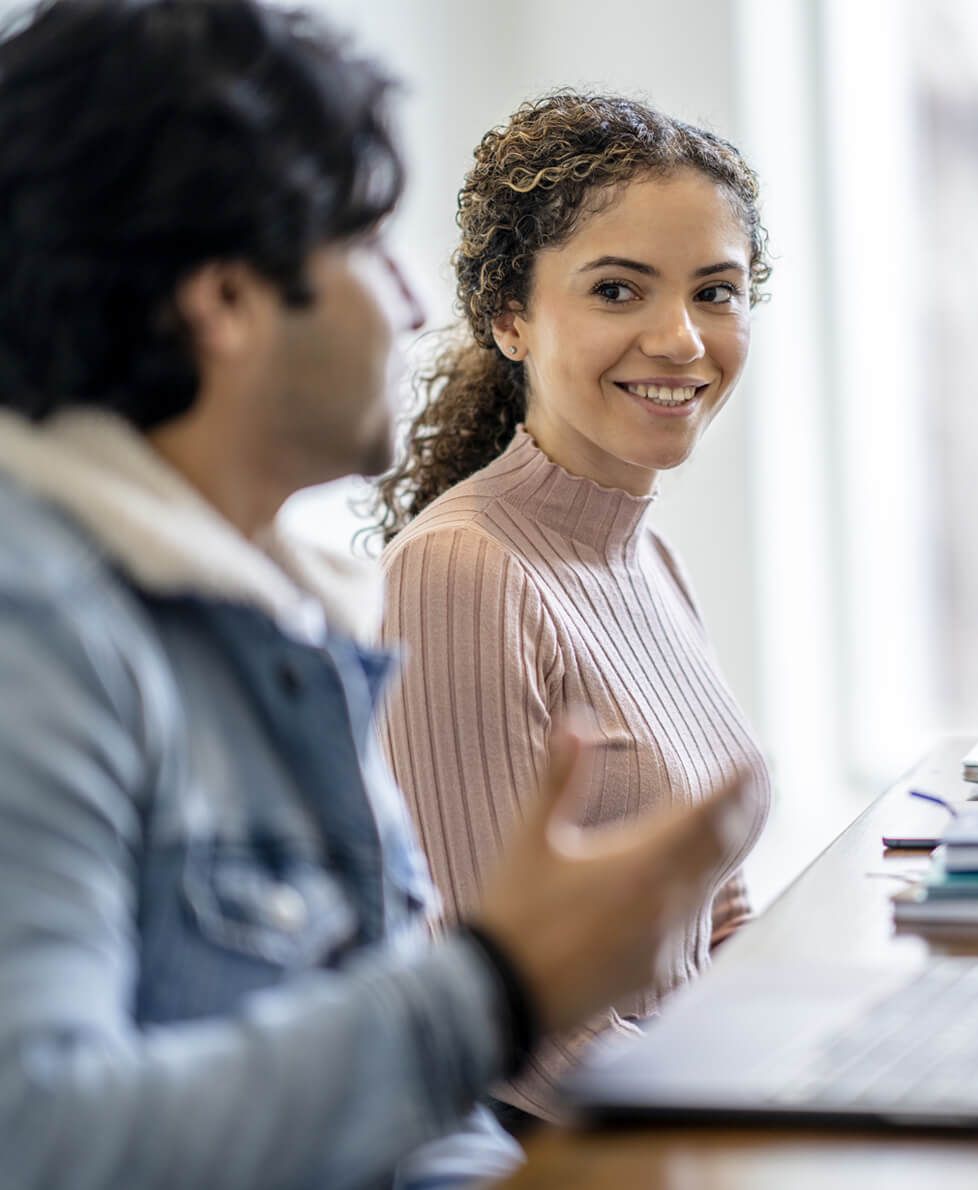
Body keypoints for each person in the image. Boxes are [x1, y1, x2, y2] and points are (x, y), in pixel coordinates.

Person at [0, 4, 757, 1188]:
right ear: (229, 300)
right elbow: (38, 1138)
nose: (410, 303)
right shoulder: (36, 640)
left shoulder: (283, 627)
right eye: (364, 244)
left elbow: (415, 1123)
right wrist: (497, 992)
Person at [371, 92, 774, 1122]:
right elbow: (510, 1019)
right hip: (579, 1147)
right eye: (616, 289)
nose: (681, 339)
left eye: (715, 292)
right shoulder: (460, 570)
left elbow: (714, 904)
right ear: (510, 317)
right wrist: (737, 1121)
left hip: (678, 1104)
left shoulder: (646, 555)